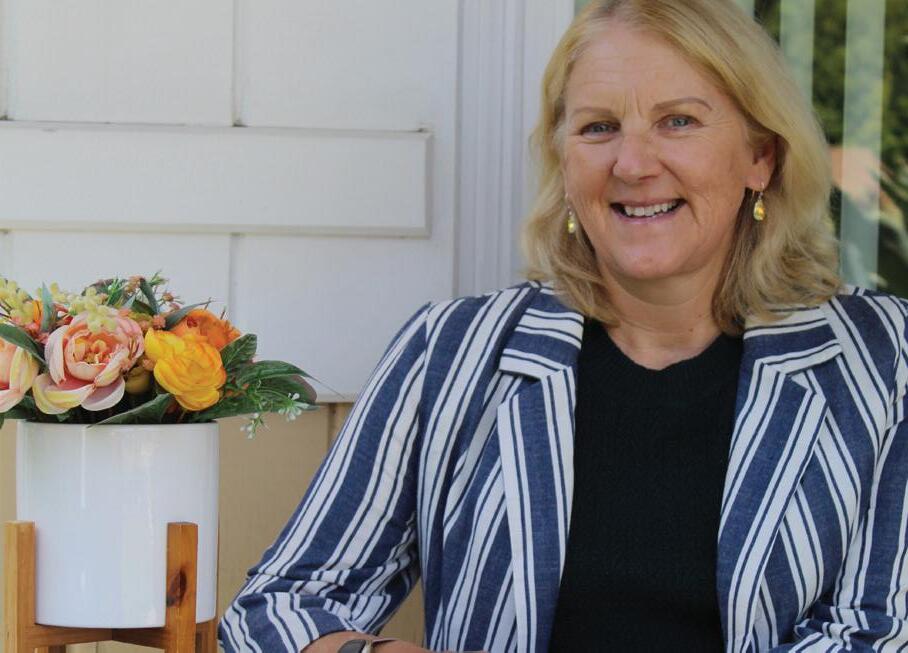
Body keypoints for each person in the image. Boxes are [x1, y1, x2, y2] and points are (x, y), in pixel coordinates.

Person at [220, 0, 908, 651]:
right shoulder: (453, 350)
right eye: (598, 128)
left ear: (761, 156)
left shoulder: (881, 357)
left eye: (678, 121)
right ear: (564, 161)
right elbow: (275, 608)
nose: (632, 164)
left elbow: (880, 631)